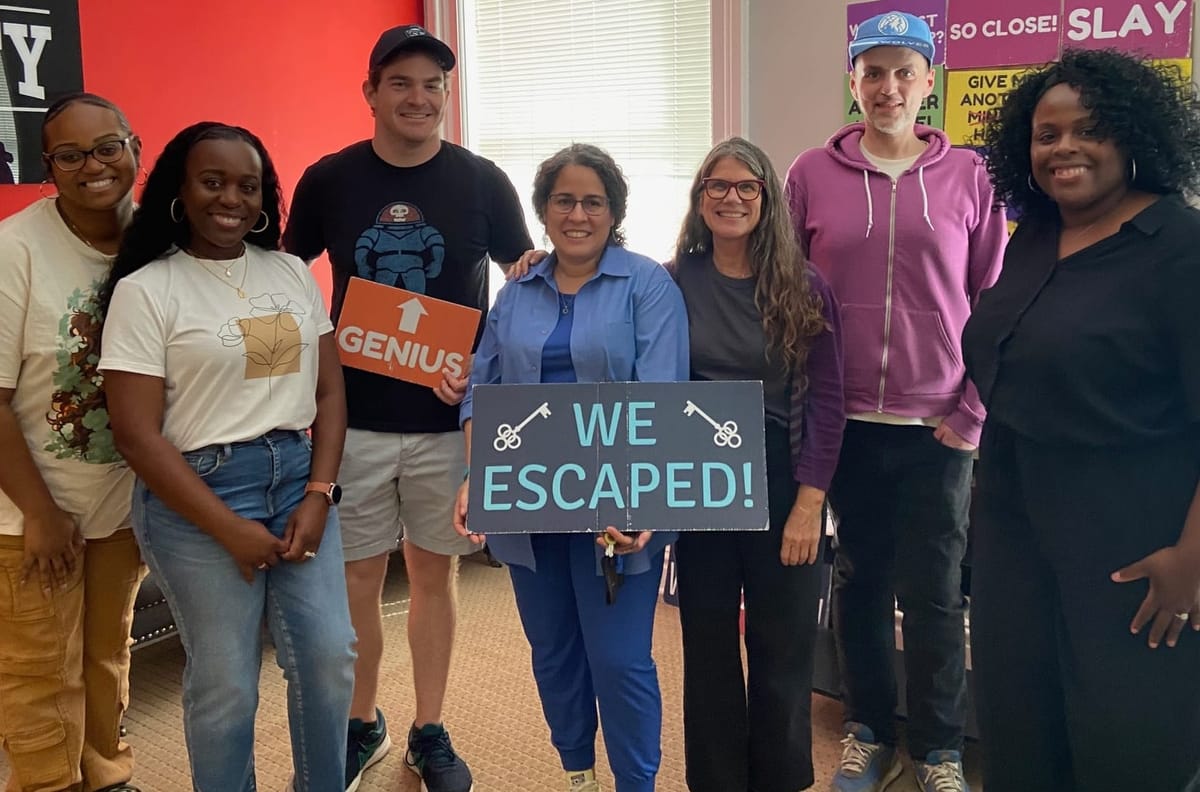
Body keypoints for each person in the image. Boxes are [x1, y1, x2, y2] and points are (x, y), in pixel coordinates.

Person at [284, 25, 532, 791]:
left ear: (447, 95)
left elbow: (522, 282)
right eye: (400, 83)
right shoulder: (329, 180)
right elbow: (285, 277)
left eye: (433, 85)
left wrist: (489, 369)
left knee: (434, 574)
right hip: (351, 421)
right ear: (371, 93)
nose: (418, 98)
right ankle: (363, 724)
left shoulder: (483, 181)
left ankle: (429, 727)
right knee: (357, 582)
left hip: (447, 423)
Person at [964, 49, 1200, 792]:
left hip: (1130, 538)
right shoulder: (1034, 233)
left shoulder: (1182, 250)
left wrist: (1194, 558)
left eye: (1090, 130)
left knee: (1122, 737)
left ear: (1133, 135)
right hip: (1013, 522)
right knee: (1019, 722)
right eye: (1047, 134)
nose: (1064, 147)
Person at [784, 11, 1007, 792]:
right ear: (854, 82)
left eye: (904, 72)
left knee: (935, 594)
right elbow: (785, 292)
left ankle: (939, 749)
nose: (889, 87)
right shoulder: (811, 173)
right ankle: (869, 732)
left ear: (927, 83)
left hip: (937, 425)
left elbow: (995, 301)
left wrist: (971, 412)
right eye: (873, 72)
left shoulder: (969, 175)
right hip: (842, 422)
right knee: (861, 583)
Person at [98, 122, 356, 792]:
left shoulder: (289, 271)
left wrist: (320, 492)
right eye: (212, 182)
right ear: (180, 191)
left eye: (249, 185)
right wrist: (228, 529)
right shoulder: (148, 289)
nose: (232, 199)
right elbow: (136, 435)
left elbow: (329, 392)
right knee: (227, 685)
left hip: (296, 481)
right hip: (197, 497)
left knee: (329, 660)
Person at [453, 143, 688, 792]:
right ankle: (578, 773)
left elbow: (663, 396)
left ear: (614, 212)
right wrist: (478, 476)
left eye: (593, 202)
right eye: (564, 200)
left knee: (619, 659)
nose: (577, 215)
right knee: (554, 654)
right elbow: (482, 391)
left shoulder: (646, 284)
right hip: (529, 504)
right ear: (543, 209)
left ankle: (636, 784)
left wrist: (643, 499)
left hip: (619, 504)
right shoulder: (517, 290)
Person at [669, 137, 845, 792]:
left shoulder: (804, 286)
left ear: (767, 198)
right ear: (701, 198)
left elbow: (828, 401)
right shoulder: (672, 281)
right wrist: (535, 260)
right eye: (718, 185)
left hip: (780, 473)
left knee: (783, 647)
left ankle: (779, 778)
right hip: (699, 473)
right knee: (708, 643)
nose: (732, 197)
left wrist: (809, 504)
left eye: (747, 186)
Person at [0, 93, 146, 792]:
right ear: (48, 167)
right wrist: (40, 512)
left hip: (120, 506)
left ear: (135, 148)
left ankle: (107, 777)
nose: (94, 165)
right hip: (27, 514)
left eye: (107, 147)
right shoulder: (15, 250)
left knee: (106, 658)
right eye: (70, 154)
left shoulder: (157, 242)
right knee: (38, 673)